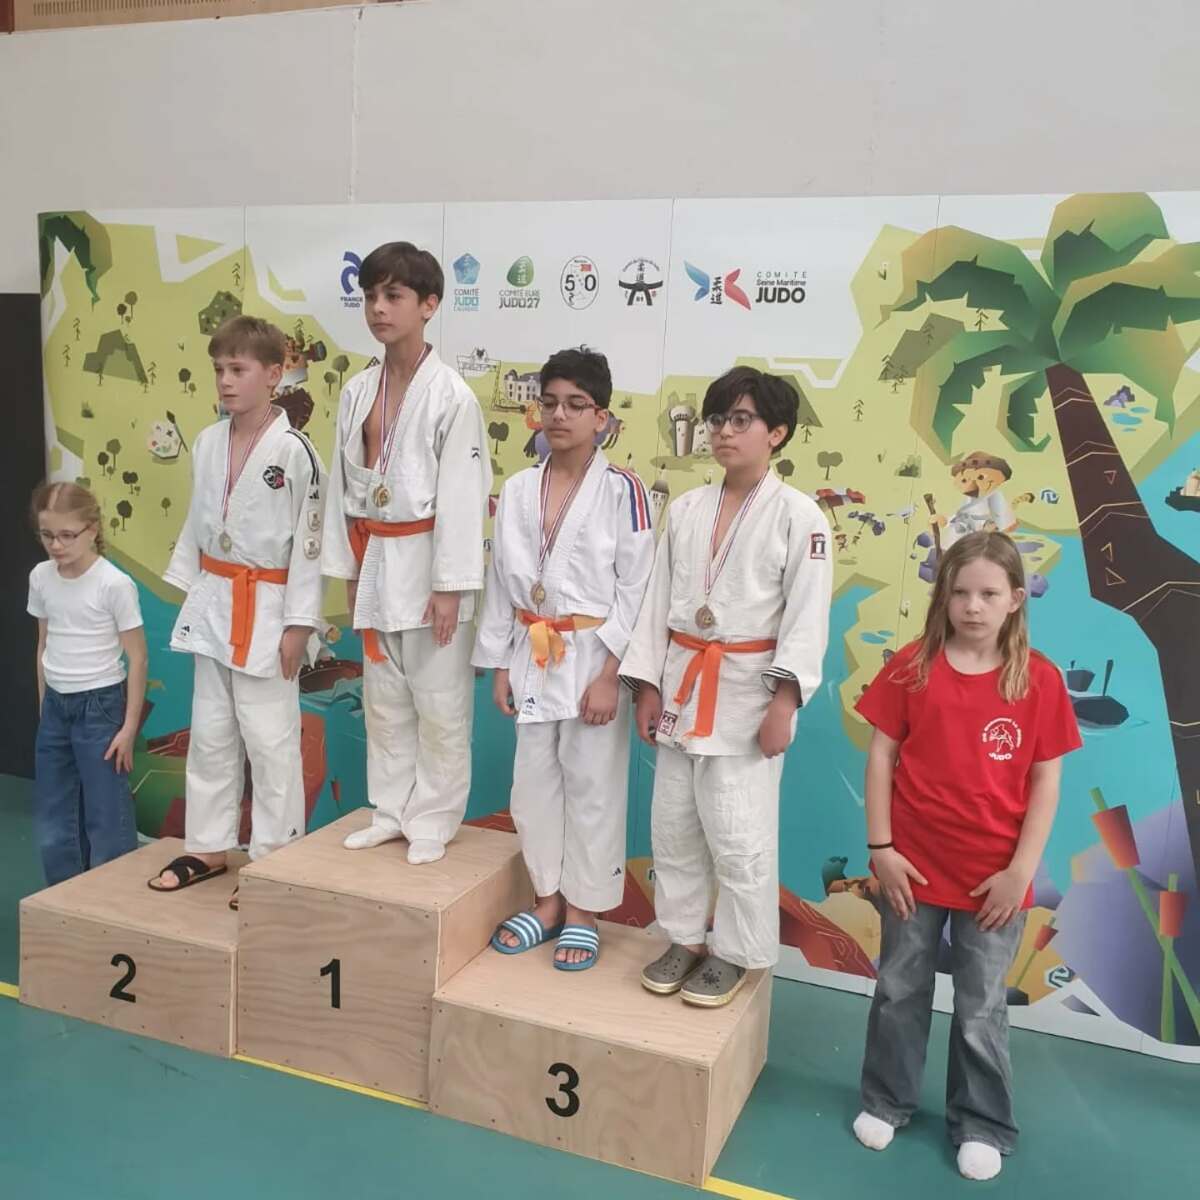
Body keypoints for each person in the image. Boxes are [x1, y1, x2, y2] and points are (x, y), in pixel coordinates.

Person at [852, 530, 1081, 1181]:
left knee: (981, 1006)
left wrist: (1020, 872)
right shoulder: (912, 666)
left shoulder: (1038, 680)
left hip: (995, 881)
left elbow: (1046, 780)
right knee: (899, 988)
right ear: (944, 598)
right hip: (911, 869)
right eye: (960, 593)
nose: (973, 606)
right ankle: (887, 1100)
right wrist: (881, 849)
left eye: (988, 593)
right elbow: (881, 755)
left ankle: (982, 1122)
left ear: (1015, 599)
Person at [620, 366, 833, 1006]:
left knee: (740, 836)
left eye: (741, 420)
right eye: (717, 420)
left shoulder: (801, 517)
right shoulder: (687, 510)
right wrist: (647, 687)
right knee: (674, 827)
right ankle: (684, 937)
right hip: (682, 686)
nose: (723, 432)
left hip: (747, 694)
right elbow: (656, 603)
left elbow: (807, 618)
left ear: (778, 433)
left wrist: (785, 701)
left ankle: (737, 951)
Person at [474, 348, 654, 970]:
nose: (559, 415)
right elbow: (501, 580)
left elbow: (638, 589)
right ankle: (547, 901)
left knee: (592, 787)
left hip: (591, 656)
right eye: (549, 403)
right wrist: (499, 662)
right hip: (532, 649)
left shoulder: (624, 490)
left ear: (602, 417)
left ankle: (583, 912)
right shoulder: (518, 489)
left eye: (576, 405)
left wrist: (611, 675)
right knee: (532, 786)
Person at [322, 242, 491, 865]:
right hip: (375, 555)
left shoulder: (452, 396)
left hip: (428, 559)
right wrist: (349, 571)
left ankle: (434, 819)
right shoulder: (357, 390)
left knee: (440, 703)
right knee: (384, 699)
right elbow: (342, 487)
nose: (378, 308)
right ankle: (391, 811)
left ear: (429, 305)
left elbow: (464, 495)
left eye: (393, 295)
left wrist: (450, 586)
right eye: (370, 296)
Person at [151, 316, 326, 904]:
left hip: (270, 607)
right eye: (219, 369)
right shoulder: (207, 442)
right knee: (211, 733)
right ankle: (206, 845)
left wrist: (300, 624)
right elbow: (199, 521)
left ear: (274, 375)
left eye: (239, 369)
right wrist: (192, 586)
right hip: (217, 600)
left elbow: (311, 542)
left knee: (270, 741)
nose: (226, 381)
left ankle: (275, 860)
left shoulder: (296, 452)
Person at [28, 482, 147, 885]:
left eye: (67, 535)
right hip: (56, 707)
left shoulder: (113, 584)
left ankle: (112, 898)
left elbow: (137, 657)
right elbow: (43, 644)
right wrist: (45, 707)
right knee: (54, 818)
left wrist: (128, 729)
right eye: (47, 535)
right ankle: (63, 899)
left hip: (100, 708)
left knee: (106, 815)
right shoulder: (41, 577)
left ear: (92, 529)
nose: (56, 545)